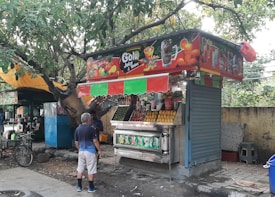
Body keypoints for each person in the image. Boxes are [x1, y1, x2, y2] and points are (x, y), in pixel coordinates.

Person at [74, 112, 101, 193]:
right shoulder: (91, 129)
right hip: (90, 151)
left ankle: (79, 187)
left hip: (81, 151)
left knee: (80, 169)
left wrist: (79, 149)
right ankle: (91, 188)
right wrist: (99, 150)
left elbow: (76, 142)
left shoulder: (77, 129)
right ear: (88, 120)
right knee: (91, 169)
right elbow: (95, 141)